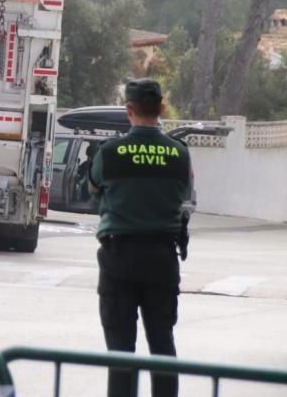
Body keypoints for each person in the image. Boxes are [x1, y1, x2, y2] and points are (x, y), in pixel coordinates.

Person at [89, 78, 191, 397]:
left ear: (128, 110)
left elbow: (94, 188)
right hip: (162, 258)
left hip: (119, 257)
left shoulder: (111, 152)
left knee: (120, 348)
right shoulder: (179, 154)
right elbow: (183, 194)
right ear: (161, 108)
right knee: (163, 343)